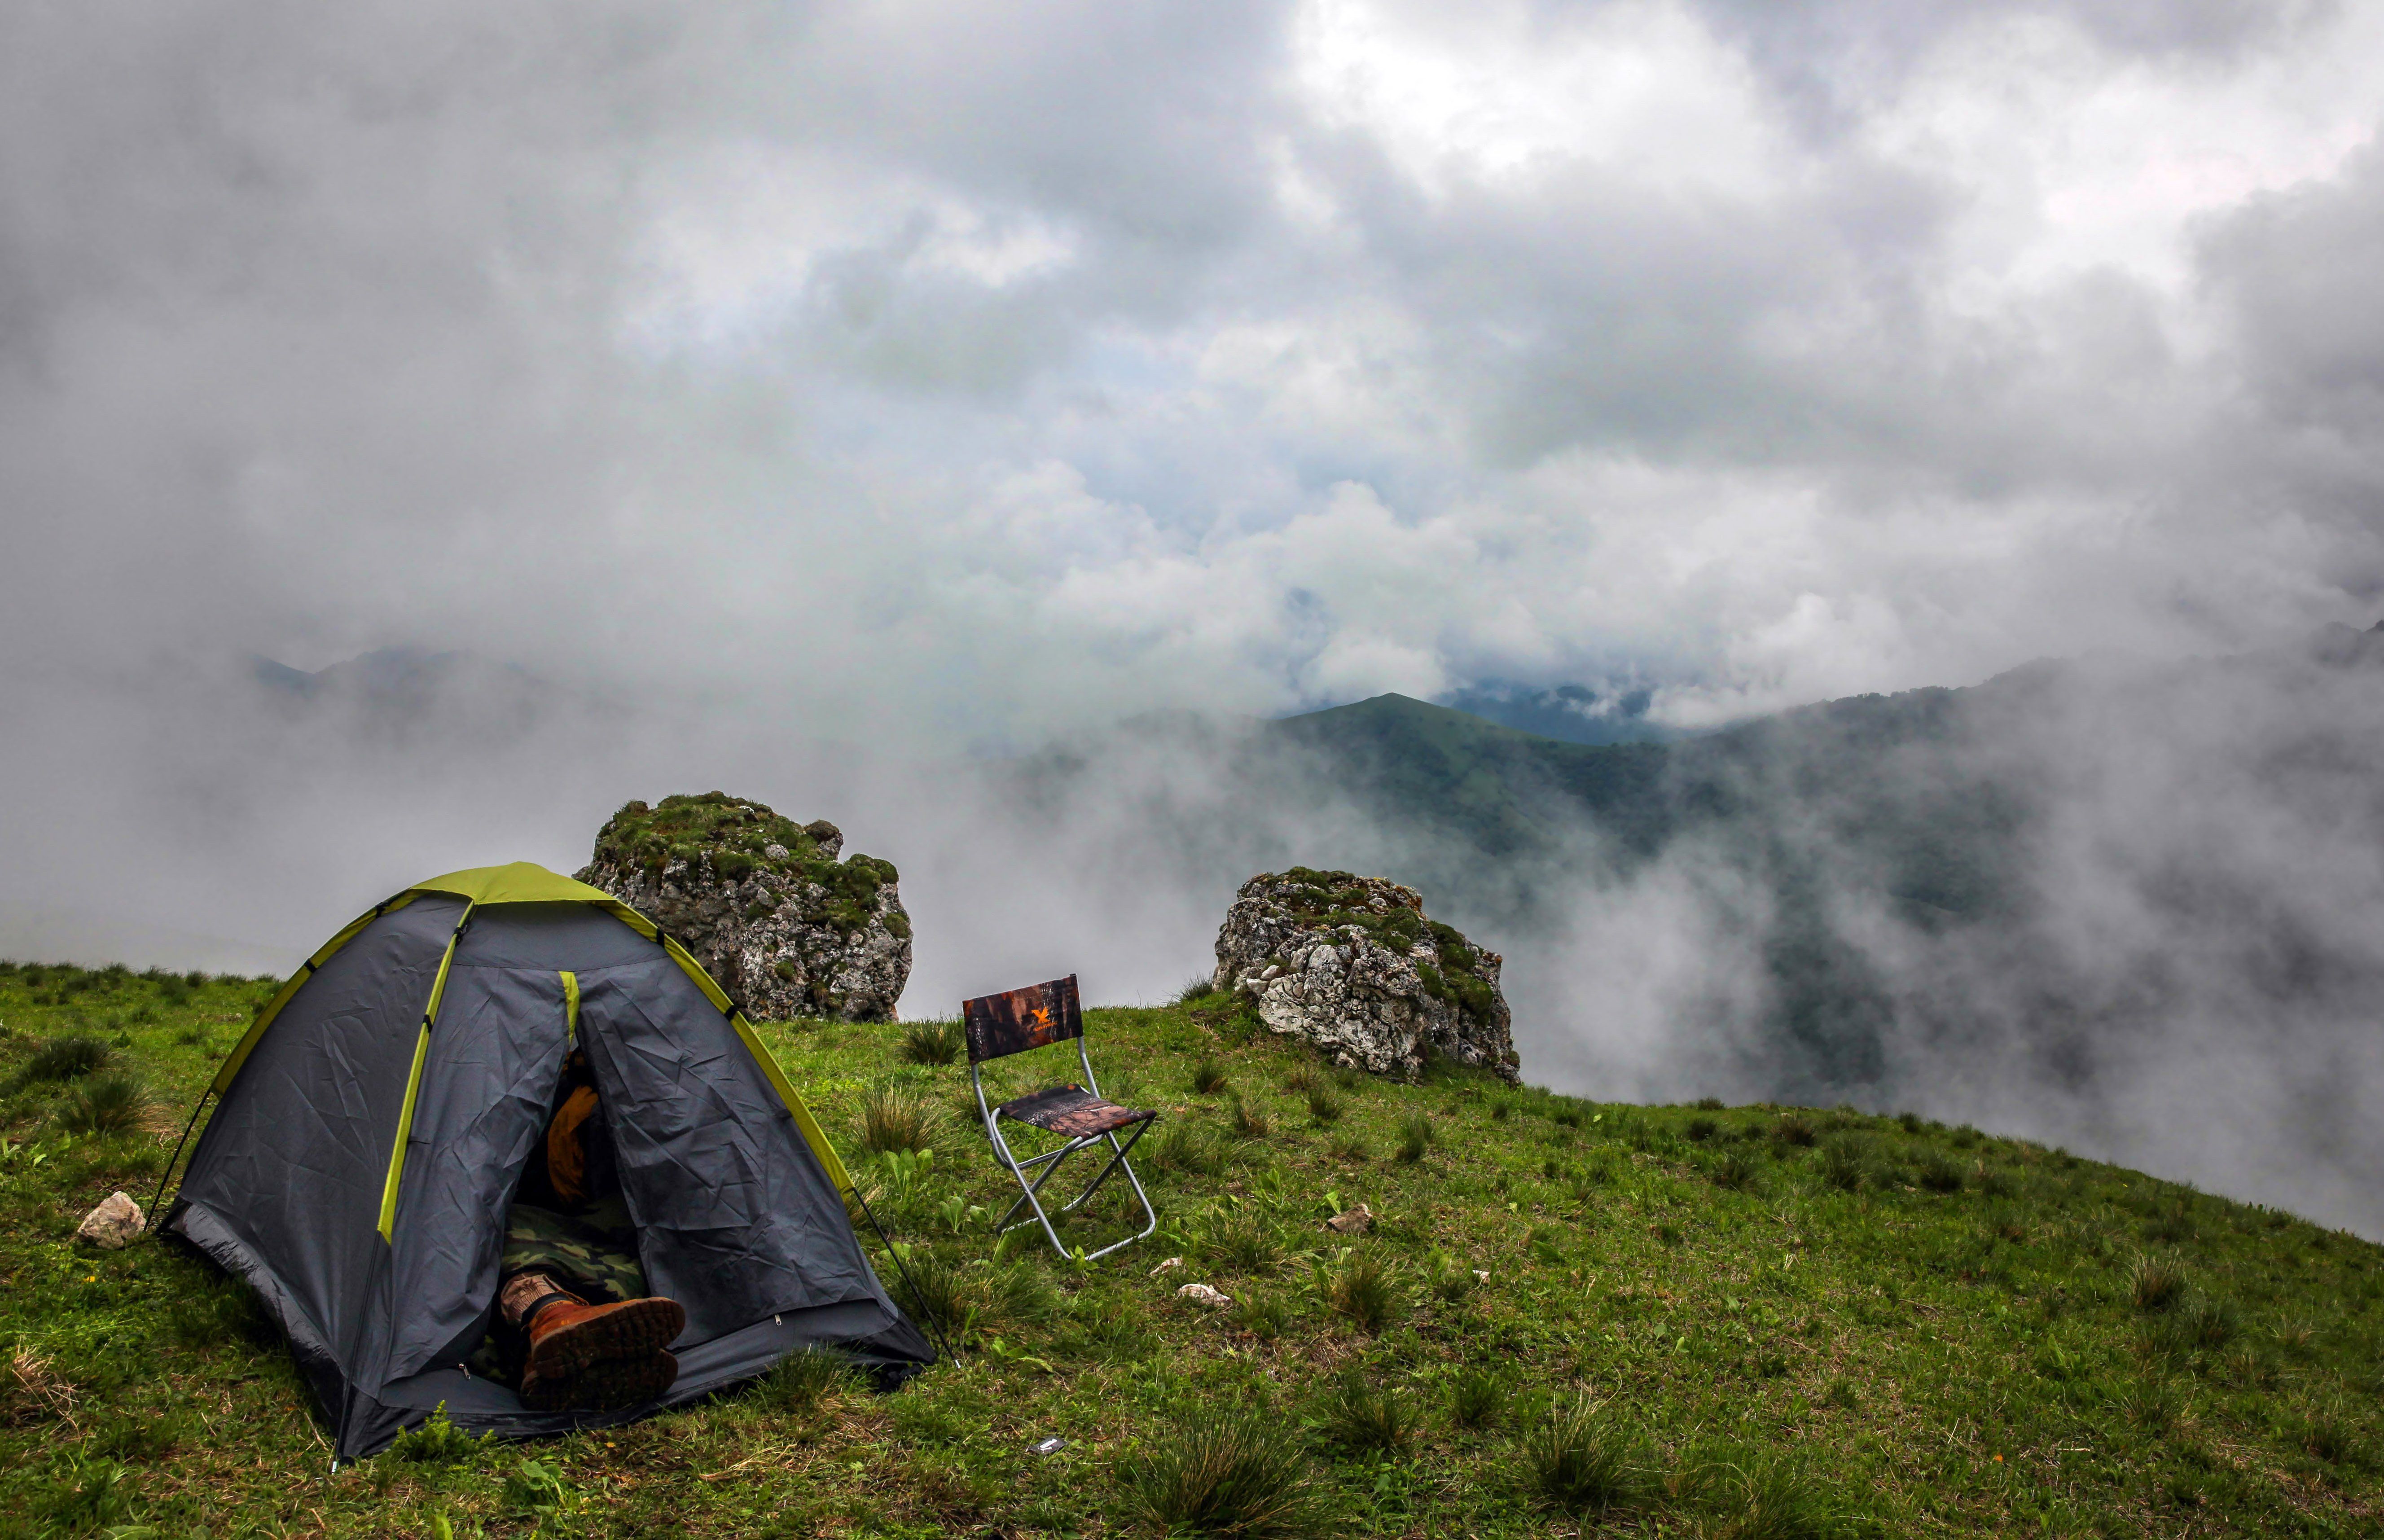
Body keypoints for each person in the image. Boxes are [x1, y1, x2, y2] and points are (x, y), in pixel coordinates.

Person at [493, 1049, 684, 1411]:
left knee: (501, 1239)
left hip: (613, 1233)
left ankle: (550, 1333)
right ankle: (560, 1330)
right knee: (496, 1237)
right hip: (584, 1233)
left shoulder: (605, 1102)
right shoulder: (565, 1095)